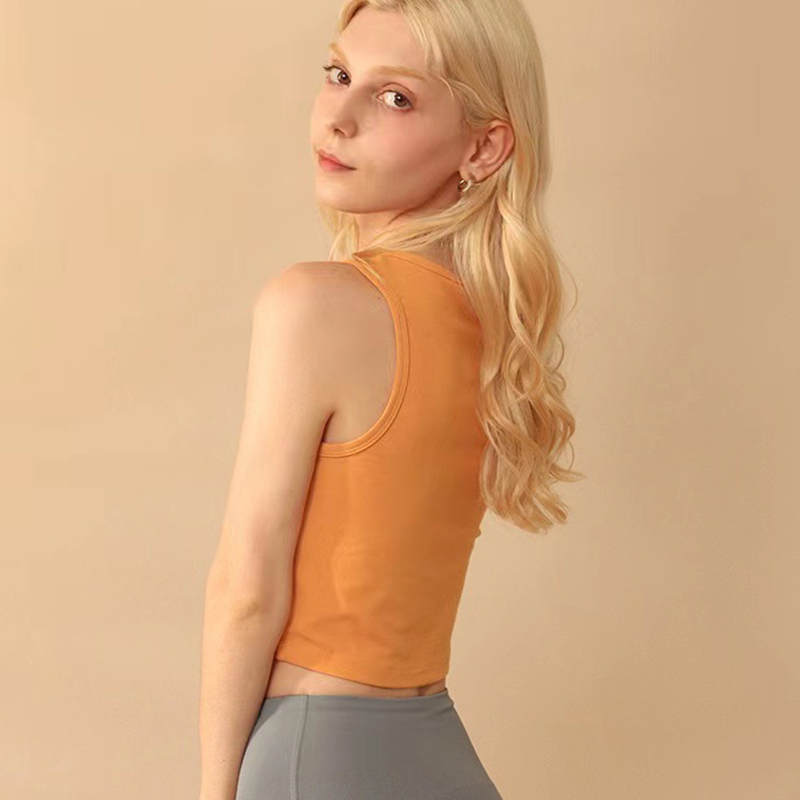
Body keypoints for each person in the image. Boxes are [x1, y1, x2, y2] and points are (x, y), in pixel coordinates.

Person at [199, 1, 582, 798]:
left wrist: (214, 791)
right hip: (432, 745)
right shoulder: (493, 334)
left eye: (395, 97)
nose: (338, 118)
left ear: (484, 146)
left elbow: (247, 589)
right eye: (339, 74)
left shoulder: (316, 304)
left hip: (318, 755)